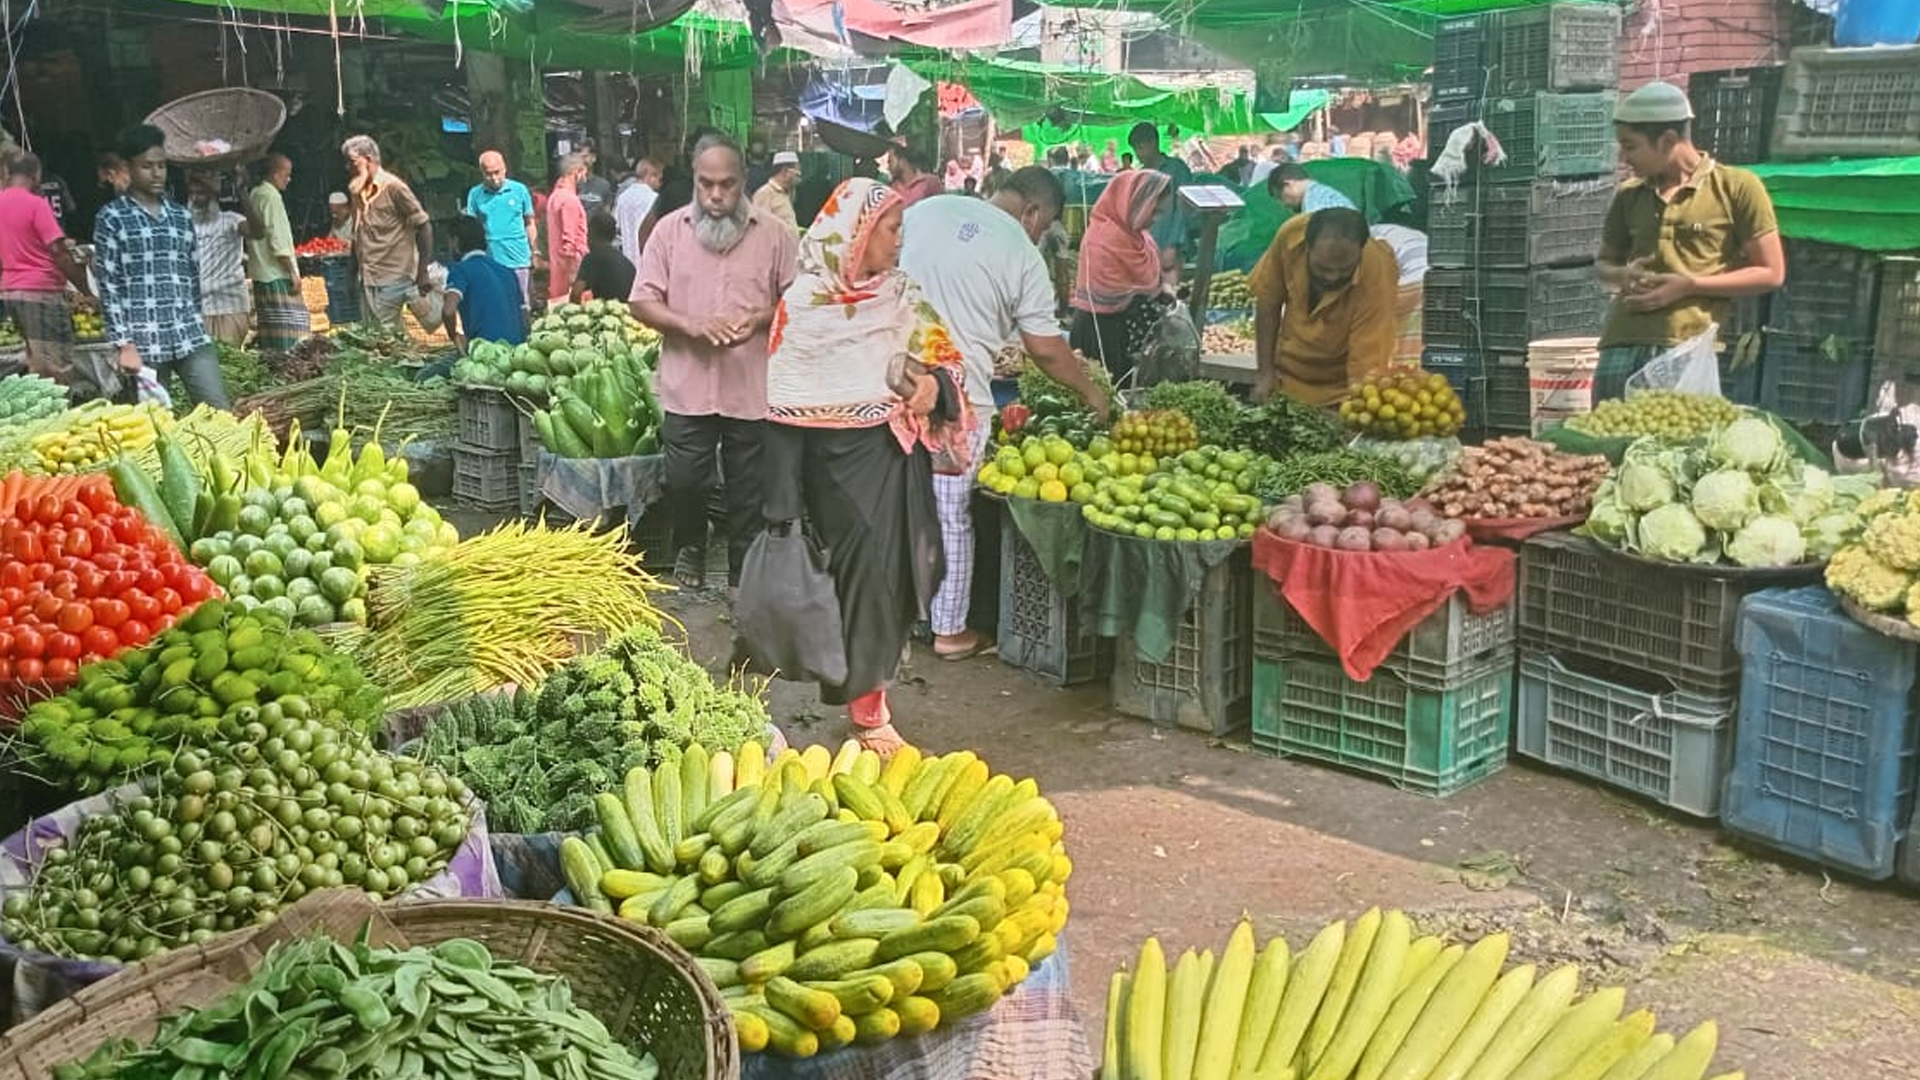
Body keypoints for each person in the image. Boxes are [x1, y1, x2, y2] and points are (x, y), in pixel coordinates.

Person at [757, 177, 971, 754]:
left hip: (899, 463)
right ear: (856, 235)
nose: (900, 241)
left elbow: (945, 367)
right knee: (867, 587)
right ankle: (869, 715)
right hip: (838, 474)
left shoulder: (902, 296)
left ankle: (872, 693)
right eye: (892, 229)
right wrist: (780, 511)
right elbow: (782, 409)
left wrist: (934, 387)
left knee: (899, 581)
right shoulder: (805, 308)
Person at [901, 167, 1112, 661]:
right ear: (1033, 211)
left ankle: (908, 614)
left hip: (893, 383)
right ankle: (949, 631)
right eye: (1045, 224)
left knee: (903, 505)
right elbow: (1045, 349)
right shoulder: (1019, 250)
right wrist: (1091, 393)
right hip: (957, 399)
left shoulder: (926, 211)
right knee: (951, 514)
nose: (1040, 236)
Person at [630, 133, 800, 589]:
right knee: (685, 480)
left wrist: (761, 318)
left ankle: (744, 576)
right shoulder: (669, 231)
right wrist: (691, 326)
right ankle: (691, 541)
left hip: (751, 389)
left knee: (749, 491)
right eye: (706, 185)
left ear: (744, 180)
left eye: (726, 184)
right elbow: (641, 302)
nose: (716, 195)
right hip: (689, 387)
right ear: (695, 182)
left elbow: (798, 302)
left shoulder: (776, 236)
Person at [1594, 80, 1785, 400]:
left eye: (1630, 146)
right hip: (1620, 342)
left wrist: (1690, 285)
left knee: (1673, 443)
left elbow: (1771, 272)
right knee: (1605, 442)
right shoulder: (1629, 195)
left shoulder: (1737, 187)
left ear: (1668, 140)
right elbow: (1604, 263)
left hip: (1685, 348)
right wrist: (1621, 275)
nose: (1624, 158)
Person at [94, 124, 231, 408]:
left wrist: (197, 317)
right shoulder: (112, 218)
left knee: (219, 410)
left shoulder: (180, 216)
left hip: (189, 333)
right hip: (144, 341)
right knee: (156, 426)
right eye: (147, 166)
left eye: (161, 166)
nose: (157, 173)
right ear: (128, 168)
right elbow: (109, 286)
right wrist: (124, 344)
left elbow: (192, 275)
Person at [1248, 207, 1398, 407]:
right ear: (1307, 248)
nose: (1332, 277)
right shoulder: (1291, 237)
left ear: (1361, 252)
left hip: (1340, 390)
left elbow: (1367, 359)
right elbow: (1268, 300)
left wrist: (1361, 408)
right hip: (1287, 378)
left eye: (1345, 270)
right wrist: (1265, 373)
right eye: (1323, 268)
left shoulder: (1377, 271)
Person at [1069, 170, 1177, 382]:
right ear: (1133, 203)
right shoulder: (1102, 241)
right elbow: (1113, 295)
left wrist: (1163, 290)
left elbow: (1152, 283)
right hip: (1101, 333)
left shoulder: (1141, 239)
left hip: (1129, 334)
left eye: (1159, 213)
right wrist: (1151, 294)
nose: (1155, 220)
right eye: (1153, 211)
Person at [0, 153, 94, 395]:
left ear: (7, 174)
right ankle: (62, 416)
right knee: (56, 364)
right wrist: (85, 290)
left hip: (11, 292)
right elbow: (59, 252)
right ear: (37, 175)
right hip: (40, 291)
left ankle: (43, 415)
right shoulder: (36, 204)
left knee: (35, 360)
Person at [343, 135, 431, 327]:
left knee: (382, 338)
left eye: (352, 162)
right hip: (368, 277)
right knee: (378, 338)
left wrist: (423, 271)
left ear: (368, 159)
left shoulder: (394, 187)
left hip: (394, 275)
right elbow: (357, 236)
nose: (348, 168)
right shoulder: (357, 190)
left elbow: (424, 225)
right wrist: (351, 274)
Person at [186, 166, 262, 348]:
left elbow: (258, 232)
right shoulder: (183, 225)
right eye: (193, 193)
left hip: (230, 305)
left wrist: (243, 192)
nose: (197, 198)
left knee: (228, 360)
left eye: (202, 193)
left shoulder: (231, 221)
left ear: (213, 197)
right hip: (198, 307)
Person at [246, 154, 309, 353]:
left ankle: (274, 370)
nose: (288, 179)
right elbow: (278, 239)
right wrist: (292, 272)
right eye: (286, 174)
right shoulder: (271, 196)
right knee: (293, 333)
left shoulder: (255, 193)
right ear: (275, 174)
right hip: (276, 274)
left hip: (260, 273)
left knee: (271, 330)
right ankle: (289, 372)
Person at [442, 214, 526, 352]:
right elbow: (524, 317)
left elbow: (448, 311)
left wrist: (455, 337)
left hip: (485, 352)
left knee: (427, 373)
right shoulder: (507, 272)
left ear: (456, 242)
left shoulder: (460, 270)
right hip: (515, 353)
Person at [464, 150, 537, 307]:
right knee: (495, 304)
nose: (494, 178)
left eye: (497, 172)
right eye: (489, 174)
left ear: (505, 168)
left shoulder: (519, 190)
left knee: (521, 303)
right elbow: (470, 228)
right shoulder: (475, 194)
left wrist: (534, 251)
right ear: (482, 173)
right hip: (490, 260)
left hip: (518, 258)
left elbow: (530, 223)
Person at [1128, 122, 1192, 281]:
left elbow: (1182, 210)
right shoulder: (1140, 176)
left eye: (1141, 147)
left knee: (1170, 294)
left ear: (1154, 143)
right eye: (1135, 149)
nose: (1138, 154)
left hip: (1171, 245)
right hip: (1146, 250)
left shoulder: (1177, 169)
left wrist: (1173, 245)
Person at [1370, 223, 1429, 366]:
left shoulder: (1373, 243)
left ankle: (1401, 366)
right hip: (1432, 277)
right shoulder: (1381, 233)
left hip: (1420, 281)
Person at [545, 153, 589, 303]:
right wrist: (574, 273)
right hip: (569, 273)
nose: (585, 178)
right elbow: (569, 241)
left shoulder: (555, 196)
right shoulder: (569, 200)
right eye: (584, 172)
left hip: (557, 271)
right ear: (576, 171)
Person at [572, 210, 635, 304]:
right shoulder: (627, 262)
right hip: (626, 313)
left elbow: (576, 293)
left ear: (591, 234)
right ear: (613, 236)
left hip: (607, 313)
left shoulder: (592, 258)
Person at [614, 158, 662, 265]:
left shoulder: (622, 198)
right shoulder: (654, 199)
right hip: (649, 261)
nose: (660, 184)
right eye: (659, 179)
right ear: (651, 176)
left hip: (628, 260)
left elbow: (617, 226)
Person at [1270, 163, 1356, 214]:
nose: (1284, 204)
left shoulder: (1314, 201)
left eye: (1280, 197)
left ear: (1288, 184)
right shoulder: (1321, 193)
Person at [752, 150, 800, 230]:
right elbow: (760, 229)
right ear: (785, 171)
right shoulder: (764, 194)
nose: (798, 178)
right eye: (797, 174)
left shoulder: (785, 193)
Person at [575, 138, 614, 220]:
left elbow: (607, 213)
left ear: (594, 158)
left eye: (585, 156)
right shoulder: (571, 185)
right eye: (579, 158)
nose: (582, 161)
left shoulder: (604, 185)